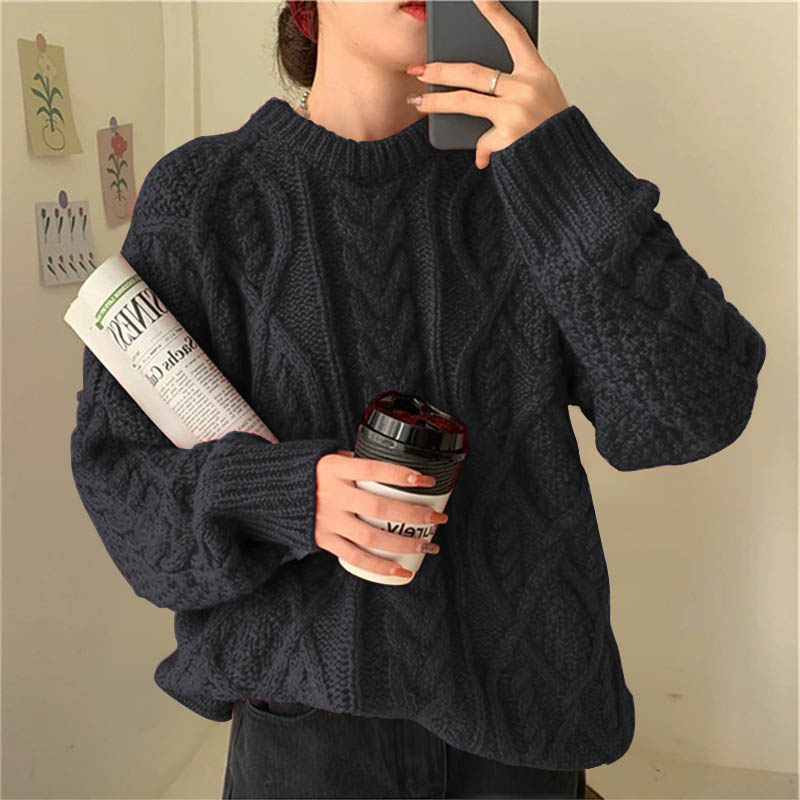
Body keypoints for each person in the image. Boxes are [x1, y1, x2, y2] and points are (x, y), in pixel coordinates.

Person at [69, 0, 766, 798]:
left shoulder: (533, 181)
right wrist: (289, 495)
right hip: (306, 742)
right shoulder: (205, 195)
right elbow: (122, 488)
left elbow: (699, 409)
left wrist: (566, 170)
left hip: (522, 730)